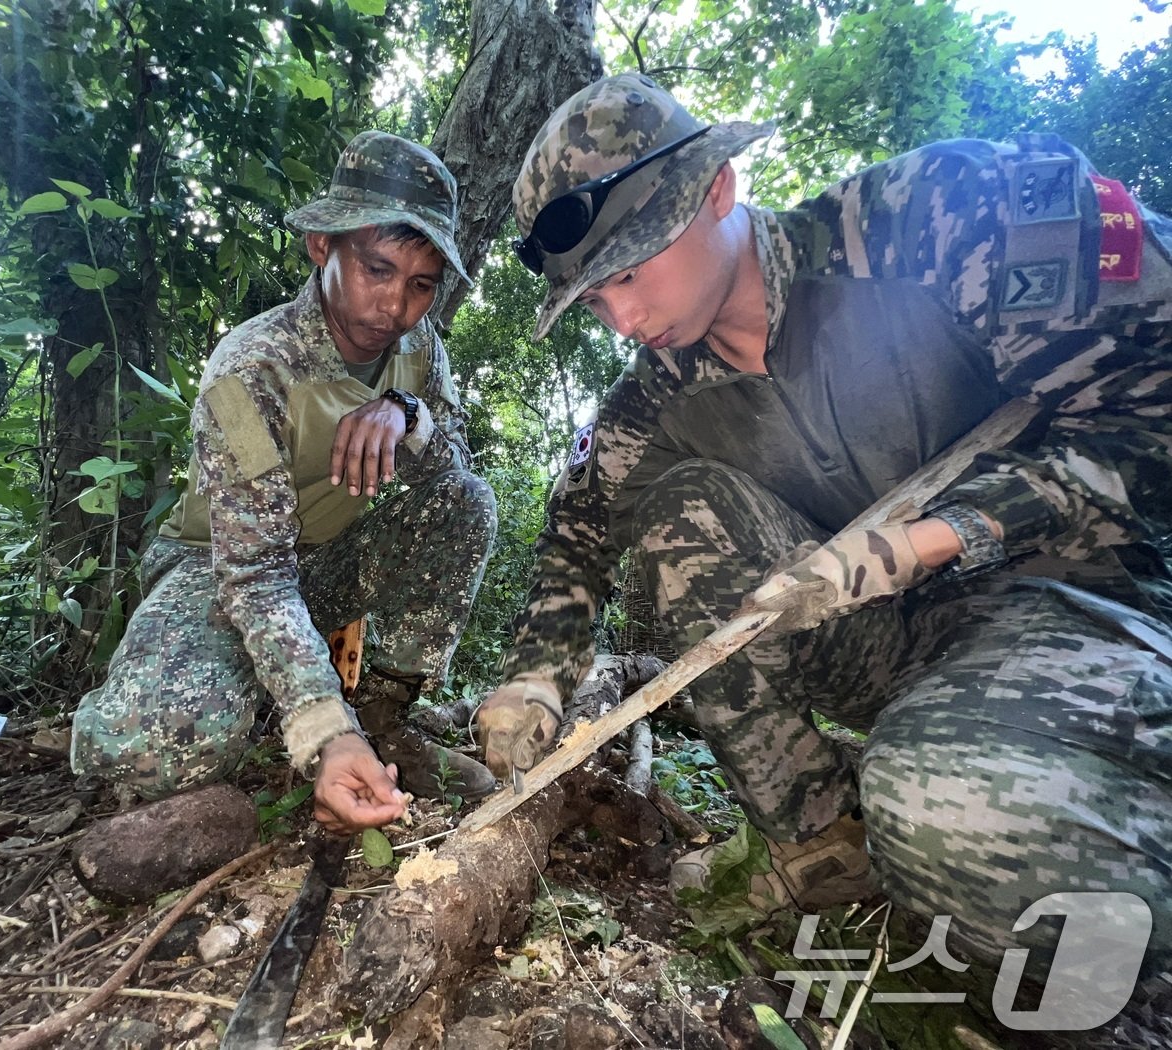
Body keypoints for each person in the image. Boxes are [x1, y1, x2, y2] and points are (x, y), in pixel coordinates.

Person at [476, 72, 1172, 975]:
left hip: (1066, 606)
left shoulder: (942, 218)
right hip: (881, 647)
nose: (624, 318)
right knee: (681, 514)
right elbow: (574, 547)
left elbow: (1146, 410)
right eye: (595, 300)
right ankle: (819, 844)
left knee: (944, 809)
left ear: (716, 187)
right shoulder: (645, 410)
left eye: (631, 271)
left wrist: (934, 537)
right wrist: (534, 683)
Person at [72, 131, 498, 836]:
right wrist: (322, 728)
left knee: (465, 503)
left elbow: (452, 463)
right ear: (323, 247)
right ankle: (240, 700)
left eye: (420, 285)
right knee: (152, 750)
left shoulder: (420, 352)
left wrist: (407, 414)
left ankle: (382, 722)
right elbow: (256, 572)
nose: (393, 308)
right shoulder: (246, 372)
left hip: (324, 565)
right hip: (217, 570)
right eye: (377, 270)